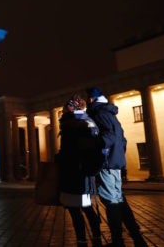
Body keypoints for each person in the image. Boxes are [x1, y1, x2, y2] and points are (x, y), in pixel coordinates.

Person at [86, 87, 148, 247]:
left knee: (111, 200)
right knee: (118, 199)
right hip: (114, 162)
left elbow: (110, 136)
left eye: (89, 98)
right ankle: (136, 237)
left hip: (107, 163)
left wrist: (97, 148)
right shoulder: (109, 113)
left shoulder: (99, 113)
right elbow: (122, 139)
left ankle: (118, 241)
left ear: (92, 99)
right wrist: (118, 154)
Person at [56, 95, 102, 246]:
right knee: (84, 207)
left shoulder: (74, 124)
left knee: (77, 209)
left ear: (72, 107)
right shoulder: (85, 122)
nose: (63, 109)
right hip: (80, 172)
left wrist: (60, 158)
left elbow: (72, 150)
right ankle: (94, 237)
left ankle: (83, 240)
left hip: (74, 172)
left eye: (66, 106)